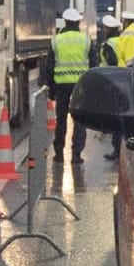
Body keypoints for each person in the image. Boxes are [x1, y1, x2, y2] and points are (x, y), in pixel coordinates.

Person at [47, 8, 91, 163]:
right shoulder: (85, 40)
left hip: (62, 86)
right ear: (78, 22)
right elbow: (94, 65)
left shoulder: (56, 40)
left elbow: (49, 67)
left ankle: (59, 153)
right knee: (79, 121)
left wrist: (51, 89)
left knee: (61, 121)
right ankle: (76, 155)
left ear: (65, 22)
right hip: (81, 87)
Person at [106, 11, 134, 158]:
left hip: (122, 82)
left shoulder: (127, 35)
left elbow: (122, 61)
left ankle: (118, 149)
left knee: (119, 117)